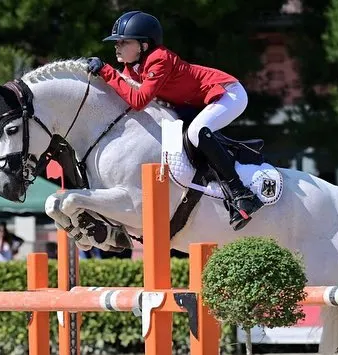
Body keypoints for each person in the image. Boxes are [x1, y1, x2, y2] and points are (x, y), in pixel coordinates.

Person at [85, 10, 259, 230]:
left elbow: (138, 100)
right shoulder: (134, 67)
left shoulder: (160, 59)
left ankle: (242, 193)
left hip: (227, 93)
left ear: (144, 45)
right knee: (189, 139)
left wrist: (107, 71)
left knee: (197, 132)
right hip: (195, 103)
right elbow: (121, 91)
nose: (116, 46)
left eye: (123, 42)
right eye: (116, 42)